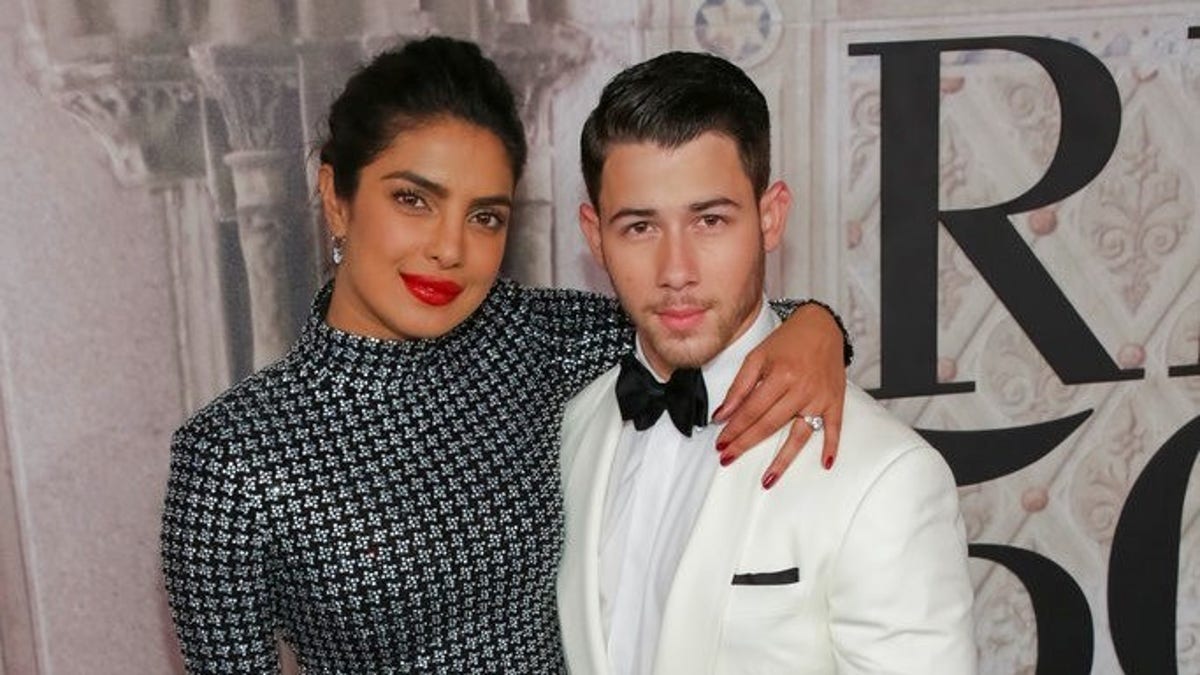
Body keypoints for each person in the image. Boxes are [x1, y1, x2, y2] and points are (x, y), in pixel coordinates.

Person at [160, 37, 852, 673]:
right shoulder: (231, 458)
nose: (450, 247)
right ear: (335, 198)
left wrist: (816, 325)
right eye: (413, 199)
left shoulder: (532, 339)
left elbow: (696, 319)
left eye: (484, 215)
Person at [557, 51, 975, 674]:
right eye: (640, 227)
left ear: (770, 216)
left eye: (710, 220)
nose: (677, 272)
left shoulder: (886, 476)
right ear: (595, 237)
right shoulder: (580, 424)